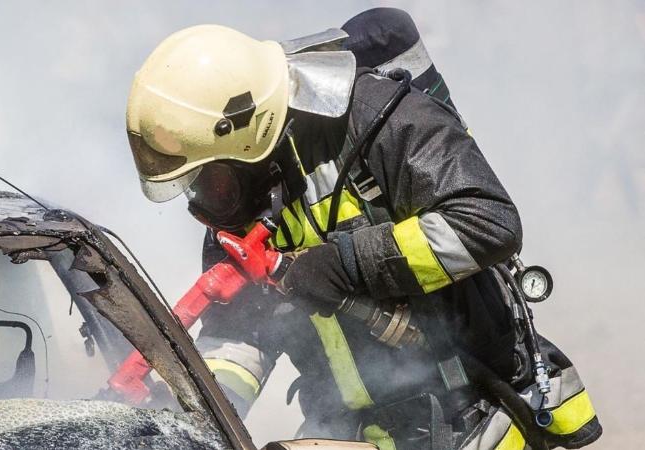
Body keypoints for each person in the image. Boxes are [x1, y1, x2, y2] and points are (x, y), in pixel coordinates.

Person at [125, 8, 601, 450]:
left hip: (475, 417)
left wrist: (344, 265)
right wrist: (187, 415)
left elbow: (486, 221)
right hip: (349, 432)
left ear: (248, 135)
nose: (204, 201)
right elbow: (239, 336)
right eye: (194, 183)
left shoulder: (377, 119)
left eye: (210, 177)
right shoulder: (237, 205)